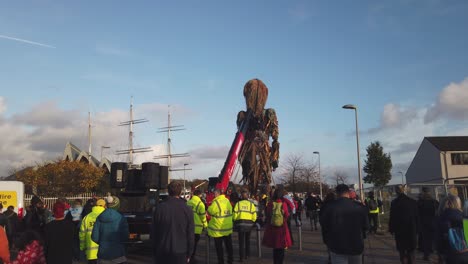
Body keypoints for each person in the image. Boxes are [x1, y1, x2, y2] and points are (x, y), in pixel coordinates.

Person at [320, 184, 369, 264]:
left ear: (337, 193)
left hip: (336, 245)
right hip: (355, 245)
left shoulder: (329, 207)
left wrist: (327, 241)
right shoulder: (359, 207)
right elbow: (366, 226)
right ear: (348, 193)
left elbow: (324, 226)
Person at [153, 182, 194, 264]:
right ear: (180, 192)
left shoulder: (159, 208)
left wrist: (154, 252)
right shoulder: (187, 209)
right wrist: (189, 254)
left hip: (163, 250)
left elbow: (154, 232)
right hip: (181, 252)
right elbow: (190, 234)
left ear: (168, 192)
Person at [91, 198, 129, 264]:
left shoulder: (99, 218)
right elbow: (125, 237)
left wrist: (103, 243)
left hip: (102, 255)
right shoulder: (121, 218)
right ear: (117, 206)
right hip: (118, 255)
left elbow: (94, 237)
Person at [389, 185, 419, 264]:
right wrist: (418, 229)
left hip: (400, 230)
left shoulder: (394, 203)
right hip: (411, 229)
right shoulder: (413, 202)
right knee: (411, 250)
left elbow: (392, 217)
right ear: (404, 190)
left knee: (402, 250)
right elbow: (417, 217)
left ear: (396, 191)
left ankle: (403, 260)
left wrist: (391, 229)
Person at [262, 186, 292, 264]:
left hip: (273, 228)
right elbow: (286, 214)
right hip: (282, 228)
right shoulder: (283, 203)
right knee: (281, 248)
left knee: (275, 247)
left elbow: (268, 214)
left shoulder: (271, 203)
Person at [435, 194, 468, 263]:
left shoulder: (441, 218)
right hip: (465, 251)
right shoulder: (464, 216)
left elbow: (438, 238)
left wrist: (440, 253)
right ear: (458, 204)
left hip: (450, 252)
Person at [207, 188, 234, 264]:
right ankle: (230, 260)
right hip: (227, 228)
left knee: (219, 248)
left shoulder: (216, 202)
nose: (213, 195)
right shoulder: (227, 201)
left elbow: (210, 211)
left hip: (218, 229)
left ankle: (221, 261)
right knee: (229, 246)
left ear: (216, 194)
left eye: (214, 194)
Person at [80, 199, 107, 264]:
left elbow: (82, 234)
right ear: (104, 206)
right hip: (104, 251)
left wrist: (82, 247)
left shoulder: (87, 217)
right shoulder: (107, 216)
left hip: (91, 253)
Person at [233, 190, 257, 262]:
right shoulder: (251, 204)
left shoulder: (238, 204)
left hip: (240, 224)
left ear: (241, 196)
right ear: (248, 196)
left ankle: (241, 258)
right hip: (249, 225)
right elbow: (254, 216)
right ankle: (247, 255)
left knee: (241, 242)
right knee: (247, 240)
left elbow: (234, 215)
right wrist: (252, 222)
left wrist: (236, 220)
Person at [417, 187, 439, 261]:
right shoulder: (434, 201)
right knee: (434, 239)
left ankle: (427, 255)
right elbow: (438, 211)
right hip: (433, 222)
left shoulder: (420, 202)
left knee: (426, 239)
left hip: (423, 223)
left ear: (423, 192)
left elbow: (417, 213)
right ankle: (438, 256)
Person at [186, 189, 207, 264]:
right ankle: (191, 259)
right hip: (197, 228)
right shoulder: (200, 204)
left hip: (188, 227)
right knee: (194, 245)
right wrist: (205, 225)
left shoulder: (188, 202)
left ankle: (187, 258)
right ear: (200, 195)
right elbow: (203, 217)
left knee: (188, 243)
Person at [319, 192, 336, 264]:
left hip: (327, 229)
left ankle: (330, 257)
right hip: (336, 228)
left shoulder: (324, 205)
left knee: (329, 244)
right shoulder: (336, 204)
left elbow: (321, 219)